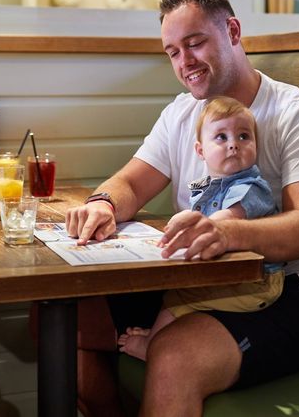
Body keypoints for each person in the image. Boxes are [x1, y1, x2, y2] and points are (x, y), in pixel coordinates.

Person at [65, 0, 299, 416]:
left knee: (174, 357)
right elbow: (132, 185)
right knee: (63, 319)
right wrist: (104, 203)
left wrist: (226, 232)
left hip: (292, 292)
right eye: (173, 52)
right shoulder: (181, 113)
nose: (185, 62)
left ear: (232, 30)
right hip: (198, 282)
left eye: (194, 44)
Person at [117, 96, 284, 361]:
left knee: (179, 298)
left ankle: (152, 347)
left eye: (243, 136)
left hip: (258, 282)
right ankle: (157, 338)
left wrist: (191, 226)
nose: (233, 145)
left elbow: (227, 219)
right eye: (221, 137)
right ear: (200, 151)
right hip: (228, 275)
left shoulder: (251, 186)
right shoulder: (206, 185)